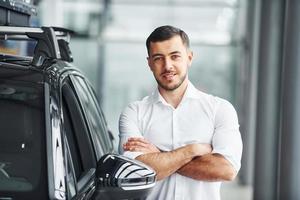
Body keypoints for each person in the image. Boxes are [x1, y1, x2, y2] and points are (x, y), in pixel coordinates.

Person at [118, 25, 243, 200]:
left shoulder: (220, 109)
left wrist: (159, 156)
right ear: (149, 63)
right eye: (158, 58)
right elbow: (134, 173)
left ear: (189, 58)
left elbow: (225, 170)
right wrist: (192, 150)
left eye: (175, 56)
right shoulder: (134, 112)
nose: (167, 65)